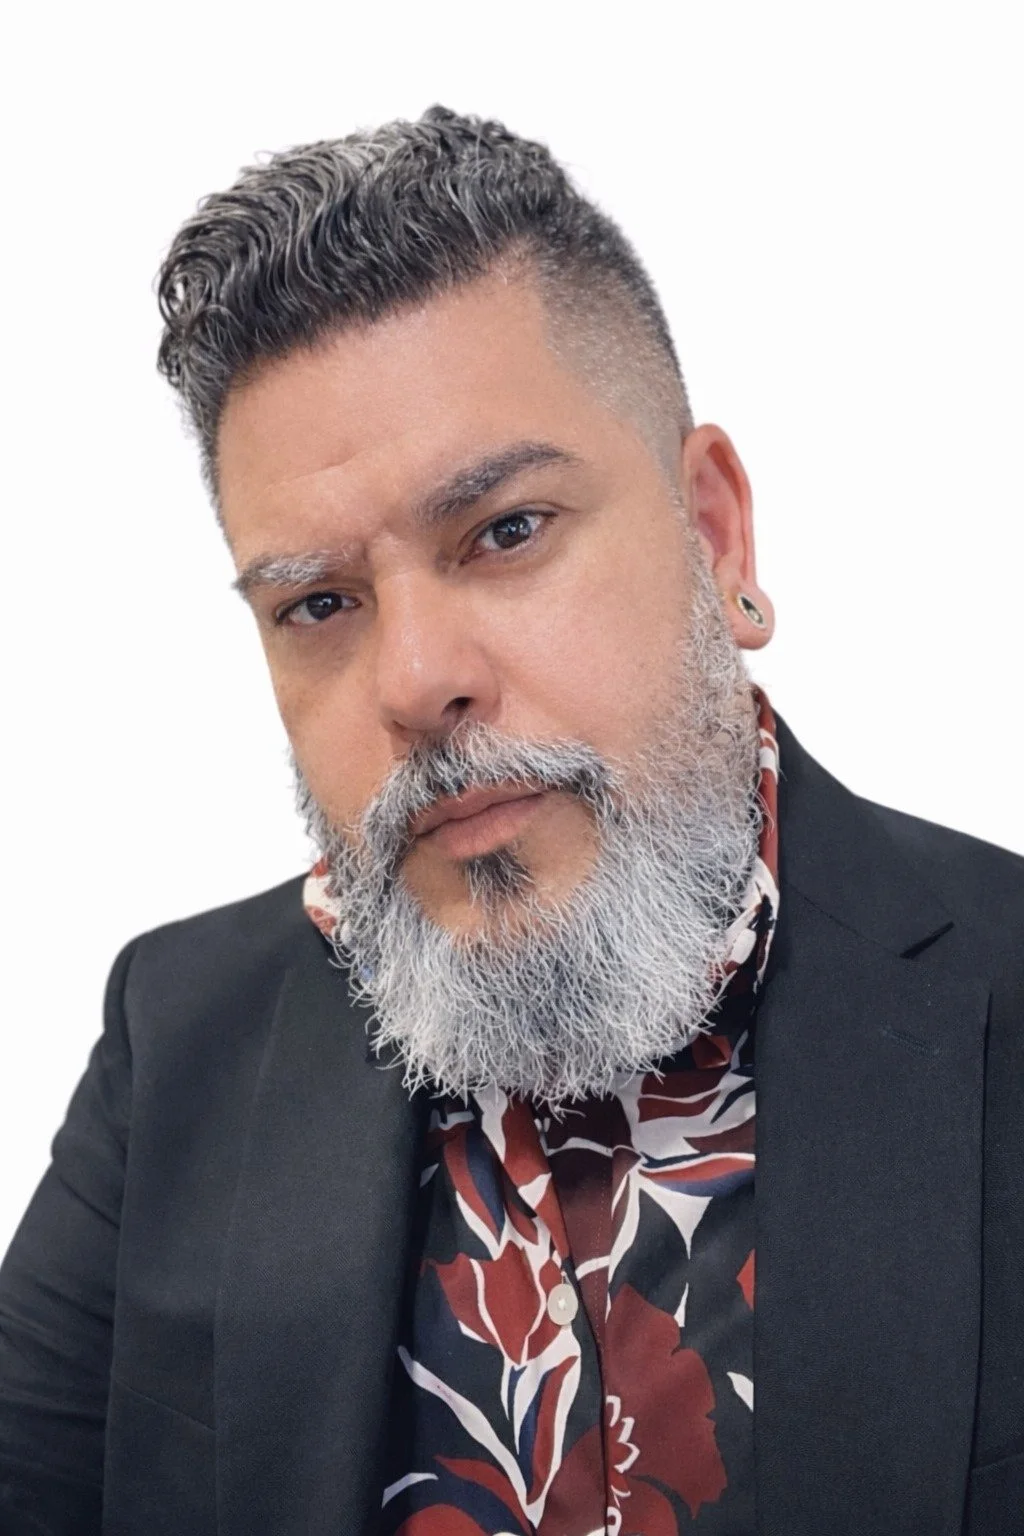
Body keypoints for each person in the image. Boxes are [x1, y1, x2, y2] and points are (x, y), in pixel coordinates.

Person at [0, 104, 1020, 1536]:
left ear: (714, 534)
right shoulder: (179, 1040)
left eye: (507, 532)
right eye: (319, 606)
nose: (417, 682)